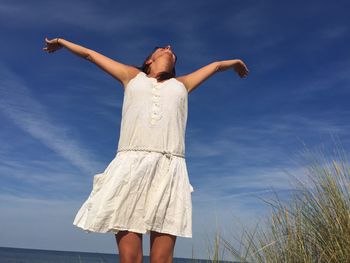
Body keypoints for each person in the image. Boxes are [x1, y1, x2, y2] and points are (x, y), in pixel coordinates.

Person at [43, 37, 249, 263]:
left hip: (169, 167)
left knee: (162, 259)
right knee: (130, 258)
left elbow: (217, 66)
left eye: (172, 50)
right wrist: (62, 42)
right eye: (163, 48)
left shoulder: (182, 84)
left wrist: (236, 62)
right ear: (149, 61)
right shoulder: (132, 76)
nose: (169, 47)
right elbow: (90, 55)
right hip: (130, 167)